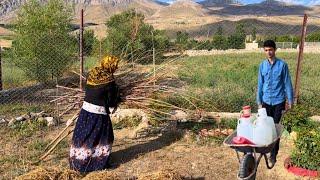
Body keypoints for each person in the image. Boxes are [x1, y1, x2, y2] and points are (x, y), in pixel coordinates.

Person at [69, 55, 120, 173]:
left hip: (85, 111)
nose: (117, 68)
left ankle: (77, 162)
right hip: (98, 114)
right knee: (105, 137)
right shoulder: (110, 80)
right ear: (111, 66)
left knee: (83, 135)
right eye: (116, 66)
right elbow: (111, 101)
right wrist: (117, 99)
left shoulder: (93, 73)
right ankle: (97, 163)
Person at [256, 40, 294, 163]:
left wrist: (290, 101)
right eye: (266, 50)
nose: (269, 52)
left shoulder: (282, 65)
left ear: (275, 50)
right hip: (266, 101)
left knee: (276, 128)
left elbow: (287, 83)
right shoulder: (262, 65)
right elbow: (260, 84)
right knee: (266, 126)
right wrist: (259, 102)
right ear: (264, 51)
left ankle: (273, 154)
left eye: (271, 50)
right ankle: (266, 149)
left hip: (279, 101)